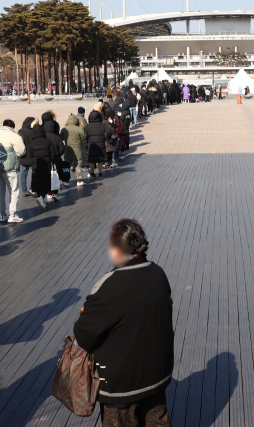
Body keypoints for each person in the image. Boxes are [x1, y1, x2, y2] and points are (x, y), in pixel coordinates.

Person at [74, 219, 173, 427]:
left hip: (120, 385)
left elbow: (83, 335)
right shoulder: (158, 274)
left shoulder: (109, 286)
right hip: (157, 377)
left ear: (118, 250)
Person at [0, 119, 26, 223]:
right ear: (12, 127)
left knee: (0, 193)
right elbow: (21, 151)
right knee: (13, 191)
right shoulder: (15, 136)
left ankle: (2, 214)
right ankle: (12, 214)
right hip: (10, 169)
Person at [26, 124, 56, 210]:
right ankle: (41, 198)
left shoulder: (31, 144)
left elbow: (29, 155)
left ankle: (40, 199)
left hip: (36, 166)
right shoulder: (48, 142)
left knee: (37, 183)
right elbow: (53, 154)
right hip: (46, 166)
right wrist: (52, 161)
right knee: (45, 183)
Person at [41, 111, 65, 201]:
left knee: (46, 175)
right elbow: (62, 148)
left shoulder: (42, 136)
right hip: (56, 158)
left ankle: (48, 192)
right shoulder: (56, 136)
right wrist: (58, 154)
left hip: (45, 159)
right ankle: (54, 192)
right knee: (55, 175)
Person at [84, 110, 113, 179]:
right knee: (100, 160)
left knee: (92, 160)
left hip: (91, 145)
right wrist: (106, 137)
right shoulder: (102, 125)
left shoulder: (88, 126)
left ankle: (92, 174)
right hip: (101, 145)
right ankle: (100, 174)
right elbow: (109, 132)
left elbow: (84, 136)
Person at [60, 114, 87, 187]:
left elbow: (61, 138)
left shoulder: (64, 129)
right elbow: (84, 137)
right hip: (77, 150)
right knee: (78, 167)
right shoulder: (79, 129)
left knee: (66, 167)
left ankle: (66, 181)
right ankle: (79, 180)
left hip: (67, 151)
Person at [19, 117, 37, 197]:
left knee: (23, 173)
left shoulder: (20, 131)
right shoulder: (31, 132)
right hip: (30, 156)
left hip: (22, 156)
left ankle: (24, 190)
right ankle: (31, 188)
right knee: (34, 172)